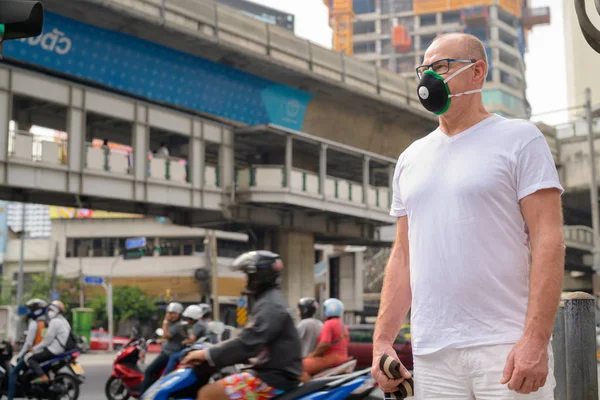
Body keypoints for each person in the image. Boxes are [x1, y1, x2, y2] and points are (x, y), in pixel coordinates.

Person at [371, 32, 564, 398]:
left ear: (477, 73)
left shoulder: (520, 139)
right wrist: (382, 342)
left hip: (505, 348)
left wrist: (535, 341)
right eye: (424, 69)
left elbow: (548, 240)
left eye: (441, 67)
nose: (430, 78)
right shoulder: (411, 158)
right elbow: (403, 257)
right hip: (432, 354)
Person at [181, 250, 302, 400]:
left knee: (207, 394)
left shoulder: (271, 305)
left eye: (247, 276)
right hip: (271, 373)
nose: (244, 281)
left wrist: (206, 354)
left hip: (272, 379)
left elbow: (248, 343)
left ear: (257, 277)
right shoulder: (269, 301)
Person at [140, 301, 186, 393]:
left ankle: (144, 395)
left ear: (179, 314)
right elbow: (172, 339)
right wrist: (159, 341)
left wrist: (165, 321)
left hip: (169, 353)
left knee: (149, 372)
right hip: (168, 351)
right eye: (169, 313)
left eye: (173, 313)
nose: (171, 315)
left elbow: (166, 335)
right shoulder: (174, 324)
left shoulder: (177, 325)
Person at [300, 298, 349, 382]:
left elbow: (324, 344)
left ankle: (311, 389)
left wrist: (312, 355)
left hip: (331, 358)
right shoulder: (342, 325)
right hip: (343, 357)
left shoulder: (329, 324)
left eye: (325, 308)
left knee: (298, 367)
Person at [26, 300, 72, 384]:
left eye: (51, 310)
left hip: (54, 350)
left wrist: (34, 349)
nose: (49, 312)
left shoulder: (55, 322)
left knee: (30, 359)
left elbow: (46, 341)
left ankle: (43, 376)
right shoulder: (64, 321)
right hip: (62, 349)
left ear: (56, 310)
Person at [9, 299, 48, 399]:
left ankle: (10, 397)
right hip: (44, 351)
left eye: (31, 309)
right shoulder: (46, 323)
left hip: (32, 352)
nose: (29, 312)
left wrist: (20, 355)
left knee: (13, 374)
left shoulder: (34, 324)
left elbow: (28, 344)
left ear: (36, 310)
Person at [161, 304, 212, 376]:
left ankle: (165, 376)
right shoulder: (201, 324)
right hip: (202, 347)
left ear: (193, 318)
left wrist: (184, 341)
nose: (188, 320)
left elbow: (192, 340)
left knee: (173, 357)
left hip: (199, 348)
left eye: (189, 318)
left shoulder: (198, 325)